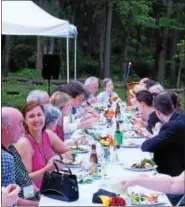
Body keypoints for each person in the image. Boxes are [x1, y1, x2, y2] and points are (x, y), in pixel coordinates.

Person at [15, 101, 71, 189]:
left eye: (39, 115)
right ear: (25, 121)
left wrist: (58, 157)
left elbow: (70, 152)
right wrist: (47, 170)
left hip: (54, 184)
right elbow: (24, 180)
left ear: (44, 116)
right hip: (39, 193)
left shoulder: (48, 134)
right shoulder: (24, 144)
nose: (36, 119)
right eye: (31, 116)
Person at [2, 107, 39, 206]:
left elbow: (25, 180)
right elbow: (11, 201)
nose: (23, 130)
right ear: (7, 128)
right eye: (20, 124)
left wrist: (39, 194)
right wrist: (39, 204)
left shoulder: (11, 148)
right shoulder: (4, 157)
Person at [141, 93, 185, 177]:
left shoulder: (171, 126)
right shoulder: (181, 117)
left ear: (158, 112)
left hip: (175, 175)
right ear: (172, 106)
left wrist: (152, 137)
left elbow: (146, 146)